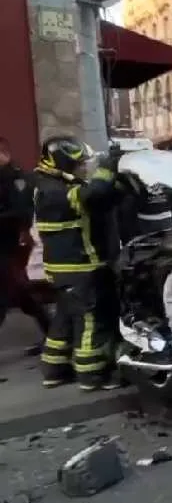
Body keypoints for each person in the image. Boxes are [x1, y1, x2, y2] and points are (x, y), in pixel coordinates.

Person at [34, 136, 123, 391]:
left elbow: (99, 201)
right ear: (63, 161)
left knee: (64, 319)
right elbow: (93, 195)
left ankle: (55, 371)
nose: (85, 167)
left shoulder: (47, 183)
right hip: (80, 268)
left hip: (64, 269)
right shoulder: (56, 191)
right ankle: (93, 375)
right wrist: (108, 167)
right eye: (81, 163)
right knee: (91, 321)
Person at [0, 137, 51, 343]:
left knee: (7, 293)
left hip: (9, 245)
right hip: (7, 246)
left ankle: (54, 333)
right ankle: (53, 332)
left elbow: (21, 211)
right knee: (20, 294)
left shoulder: (17, 179)